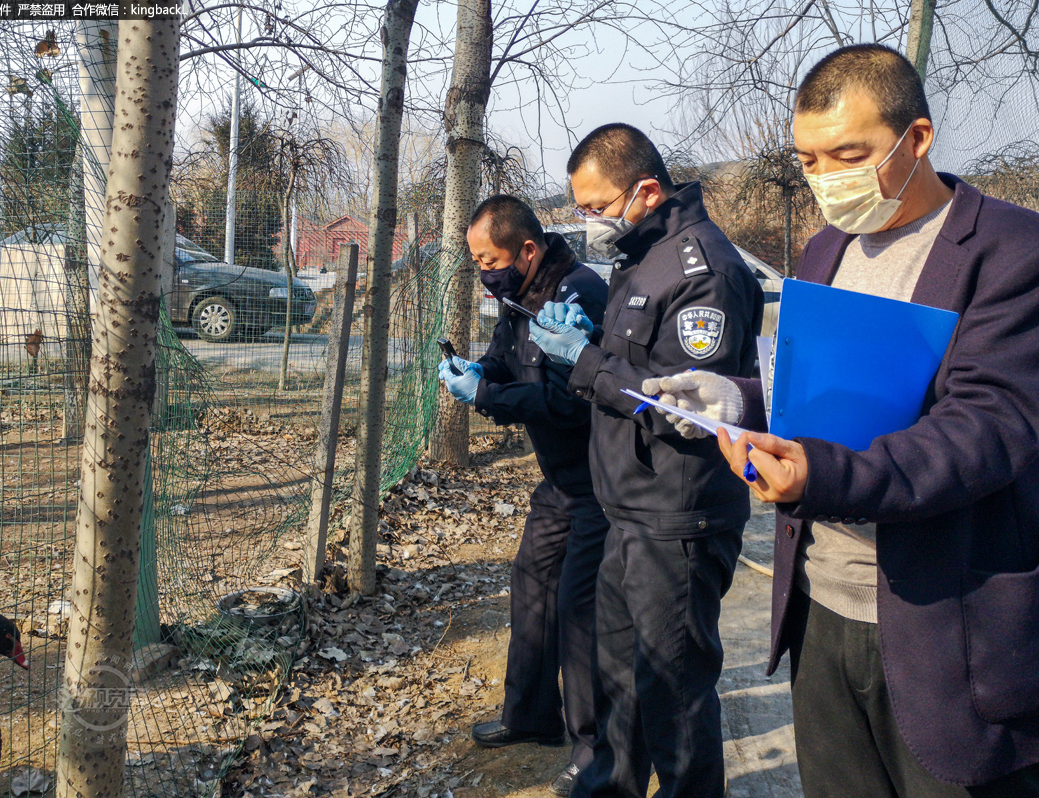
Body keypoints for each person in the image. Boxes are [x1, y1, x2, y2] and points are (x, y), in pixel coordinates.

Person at [651, 44, 1039, 797]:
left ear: (917, 138)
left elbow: (987, 430)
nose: (828, 180)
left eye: (849, 154)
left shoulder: (1012, 251)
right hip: (821, 612)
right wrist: (737, 400)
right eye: (810, 161)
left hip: (950, 628)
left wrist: (820, 474)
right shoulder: (827, 248)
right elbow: (820, 389)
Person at [528, 124, 763, 798]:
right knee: (619, 678)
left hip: (676, 519)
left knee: (675, 696)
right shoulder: (643, 255)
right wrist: (587, 350)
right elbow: (635, 366)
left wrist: (589, 362)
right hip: (628, 509)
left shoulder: (702, 269)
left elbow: (687, 410)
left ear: (646, 191)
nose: (587, 224)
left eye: (596, 207)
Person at [439, 195, 611, 796]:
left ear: (528, 250)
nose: (484, 272)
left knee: (578, 610)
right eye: (477, 262)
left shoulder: (577, 295)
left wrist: (487, 400)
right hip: (560, 481)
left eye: (490, 259)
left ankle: (595, 753)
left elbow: (568, 402)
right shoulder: (516, 297)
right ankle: (531, 716)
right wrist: (478, 374)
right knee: (532, 584)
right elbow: (502, 362)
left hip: (599, 481)